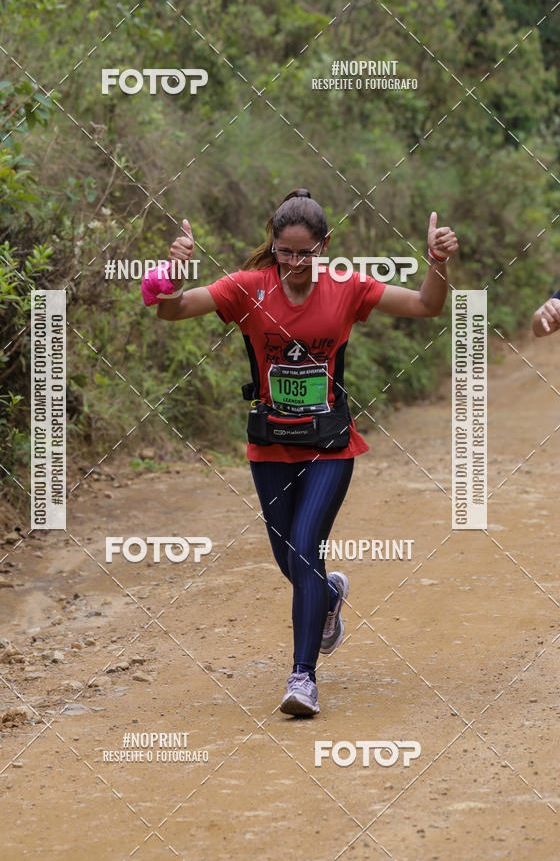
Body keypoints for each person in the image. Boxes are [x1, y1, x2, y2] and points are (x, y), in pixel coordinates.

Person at [144, 189, 458, 716]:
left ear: (324, 246)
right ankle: (330, 597)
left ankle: (302, 678)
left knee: (306, 546)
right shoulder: (246, 289)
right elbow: (171, 313)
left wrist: (438, 264)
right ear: (272, 244)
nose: (294, 263)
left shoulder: (347, 288)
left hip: (329, 445)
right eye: (284, 252)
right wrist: (171, 275)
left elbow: (427, 305)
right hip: (269, 446)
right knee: (291, 560)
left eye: (305, 253)